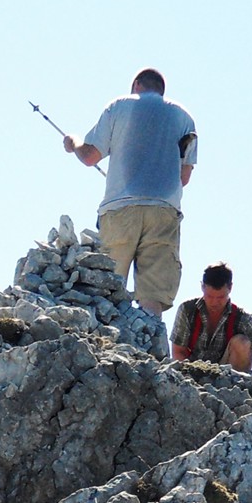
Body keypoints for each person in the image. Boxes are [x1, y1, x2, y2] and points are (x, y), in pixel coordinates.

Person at [63, 68, 199, 317]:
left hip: (120, 209)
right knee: (153, 297)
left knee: (107, 288)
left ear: (136, 85)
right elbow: (184, 177)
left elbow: (91, 156)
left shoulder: (119, 106)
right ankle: (149, 348)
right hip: (164, 210)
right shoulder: (184, 118)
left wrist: (74, 143)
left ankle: (107, 346)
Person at [170, 262, 252, 379]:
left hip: (228, 379)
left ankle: (235, 386)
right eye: (210, 296)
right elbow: (178, 351)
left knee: (242, 343)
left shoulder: (243, 319)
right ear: (202, 286)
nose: (215, 303)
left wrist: (250, 377)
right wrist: (190, 379)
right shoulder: (187, 310)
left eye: (220, 297)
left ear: (230, 288)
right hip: (193, 374)